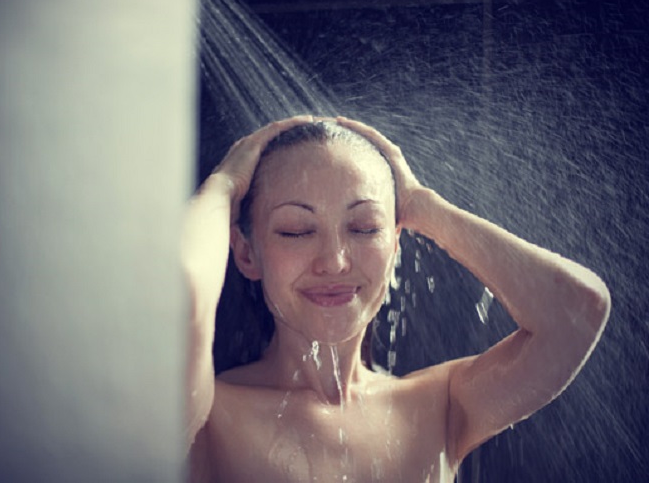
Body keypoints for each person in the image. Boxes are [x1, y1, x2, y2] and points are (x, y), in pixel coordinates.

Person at [181, 115, 610, 482]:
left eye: (365, 227)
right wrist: (223, 186)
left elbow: (577, 309)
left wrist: (425, 207)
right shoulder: (205, 416)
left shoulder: (437, 406)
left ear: (395, 248)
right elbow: (176, 296)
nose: (334, 261)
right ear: (245, 252)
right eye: (296, 230)